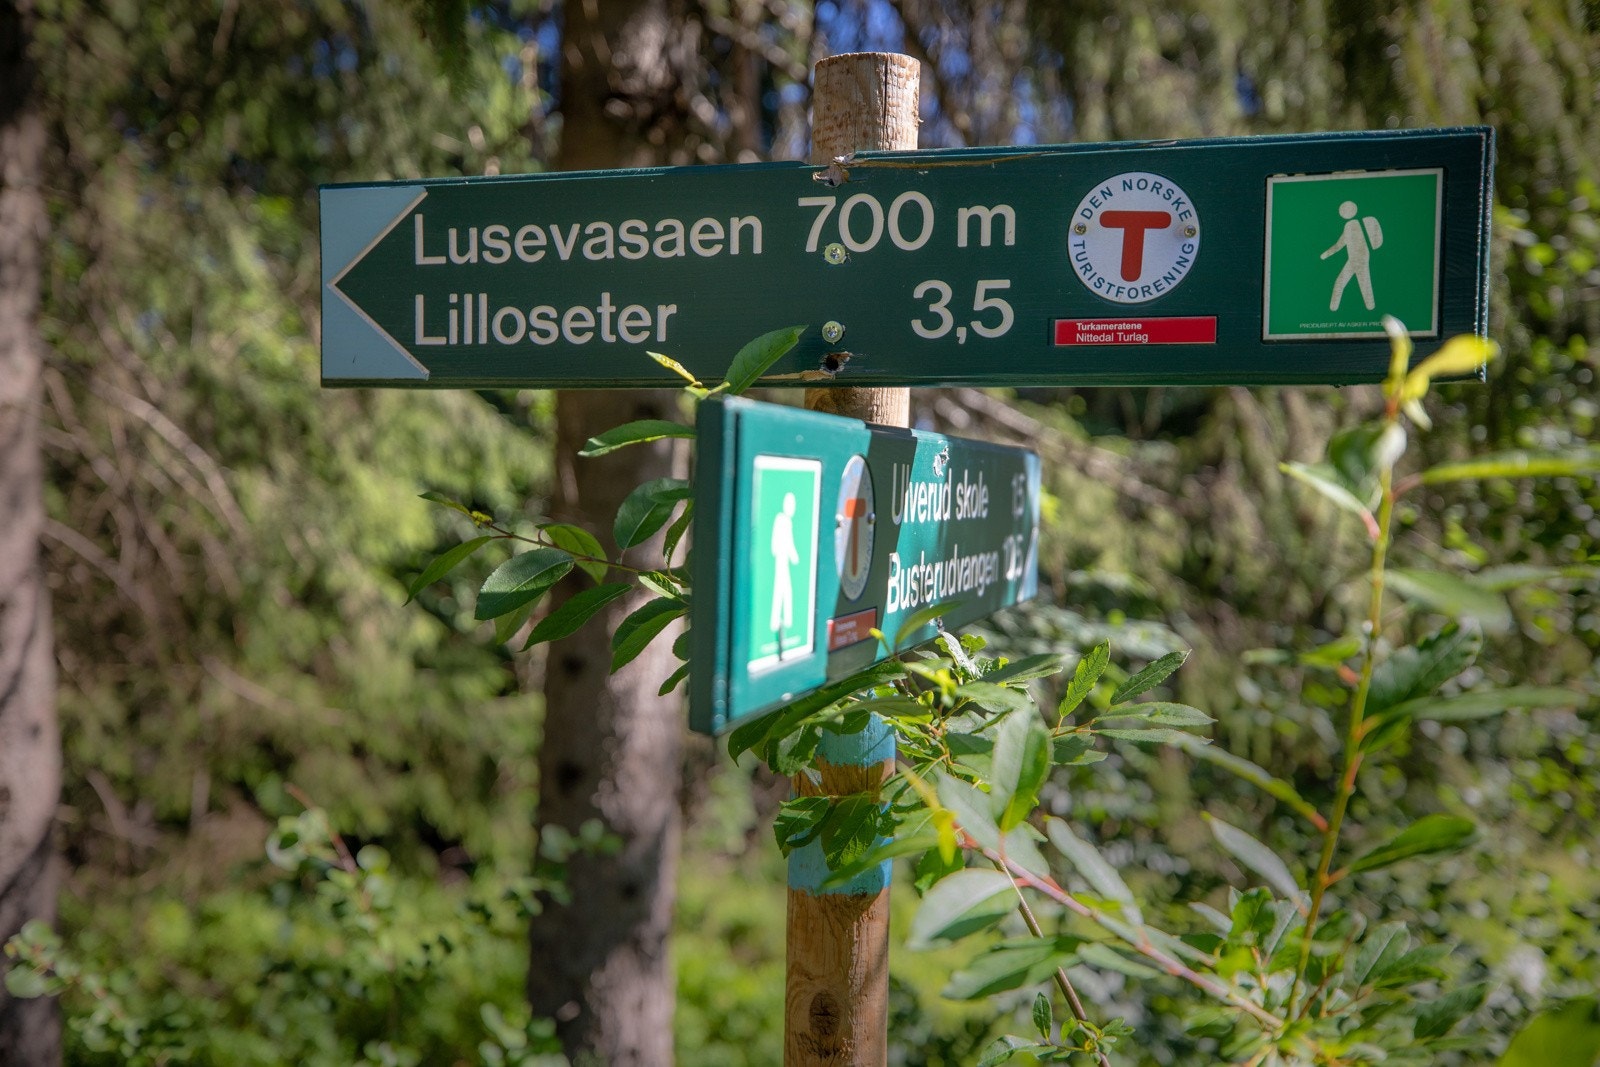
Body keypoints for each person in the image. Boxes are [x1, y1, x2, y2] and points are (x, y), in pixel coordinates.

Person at [1322, 200, 1381, 312]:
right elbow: (1339, 244)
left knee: (1360, 285)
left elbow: (1339, 245)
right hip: (1356, 259)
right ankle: (1369, 308)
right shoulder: (1350, 225)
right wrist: (1325, 255)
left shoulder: (1352, 225)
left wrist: (1325, 255)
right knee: (1358, 285)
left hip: (1359, 259)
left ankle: (1334, 308)